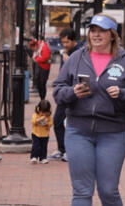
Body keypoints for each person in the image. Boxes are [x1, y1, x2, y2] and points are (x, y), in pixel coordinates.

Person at [53, 13, 125, 206]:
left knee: (108, 191)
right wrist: (72, 92)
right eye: (93, 31)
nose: (96, 35)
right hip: (78, 131)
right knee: (81, 191)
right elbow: (58, 91)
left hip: (113, 133)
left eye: (102, 31)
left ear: (112, 35)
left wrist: (123, 94)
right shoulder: (76, 58)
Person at [50, 28, 84, 161]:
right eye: (63, 42)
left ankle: (69, 150)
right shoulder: (67, 52)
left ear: (73, 40)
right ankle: (62, 149)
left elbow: (82, 70)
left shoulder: (80, 52)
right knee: (58, 121)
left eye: (66, 42)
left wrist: (68, 59)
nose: (64, 45)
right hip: (65, 92)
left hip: (76, 93)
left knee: (72, 123)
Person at [29, 36, 52, 100]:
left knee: (42, 83)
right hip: (40, 66)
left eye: (33, 48)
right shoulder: (39, 48)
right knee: (38, 81)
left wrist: (37, 59)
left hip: (44, 67)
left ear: (35, 45)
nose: (33, 50)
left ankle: (42, 97)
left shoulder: (44, 47)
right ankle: (41, 96)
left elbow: (45, 57)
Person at [30, 98, 53, 164]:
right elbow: (33, 121)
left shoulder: (48, 116)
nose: (43, 114)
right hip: (36, 133)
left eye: (45, 112)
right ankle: (34, 156)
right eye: (42, 112)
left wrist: (47, 124)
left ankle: (43, 157)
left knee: (44, 146)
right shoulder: (36, 115)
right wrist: (39, 119)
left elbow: (51, 123)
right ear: (39, 109)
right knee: (36, 146)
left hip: (45, 134)